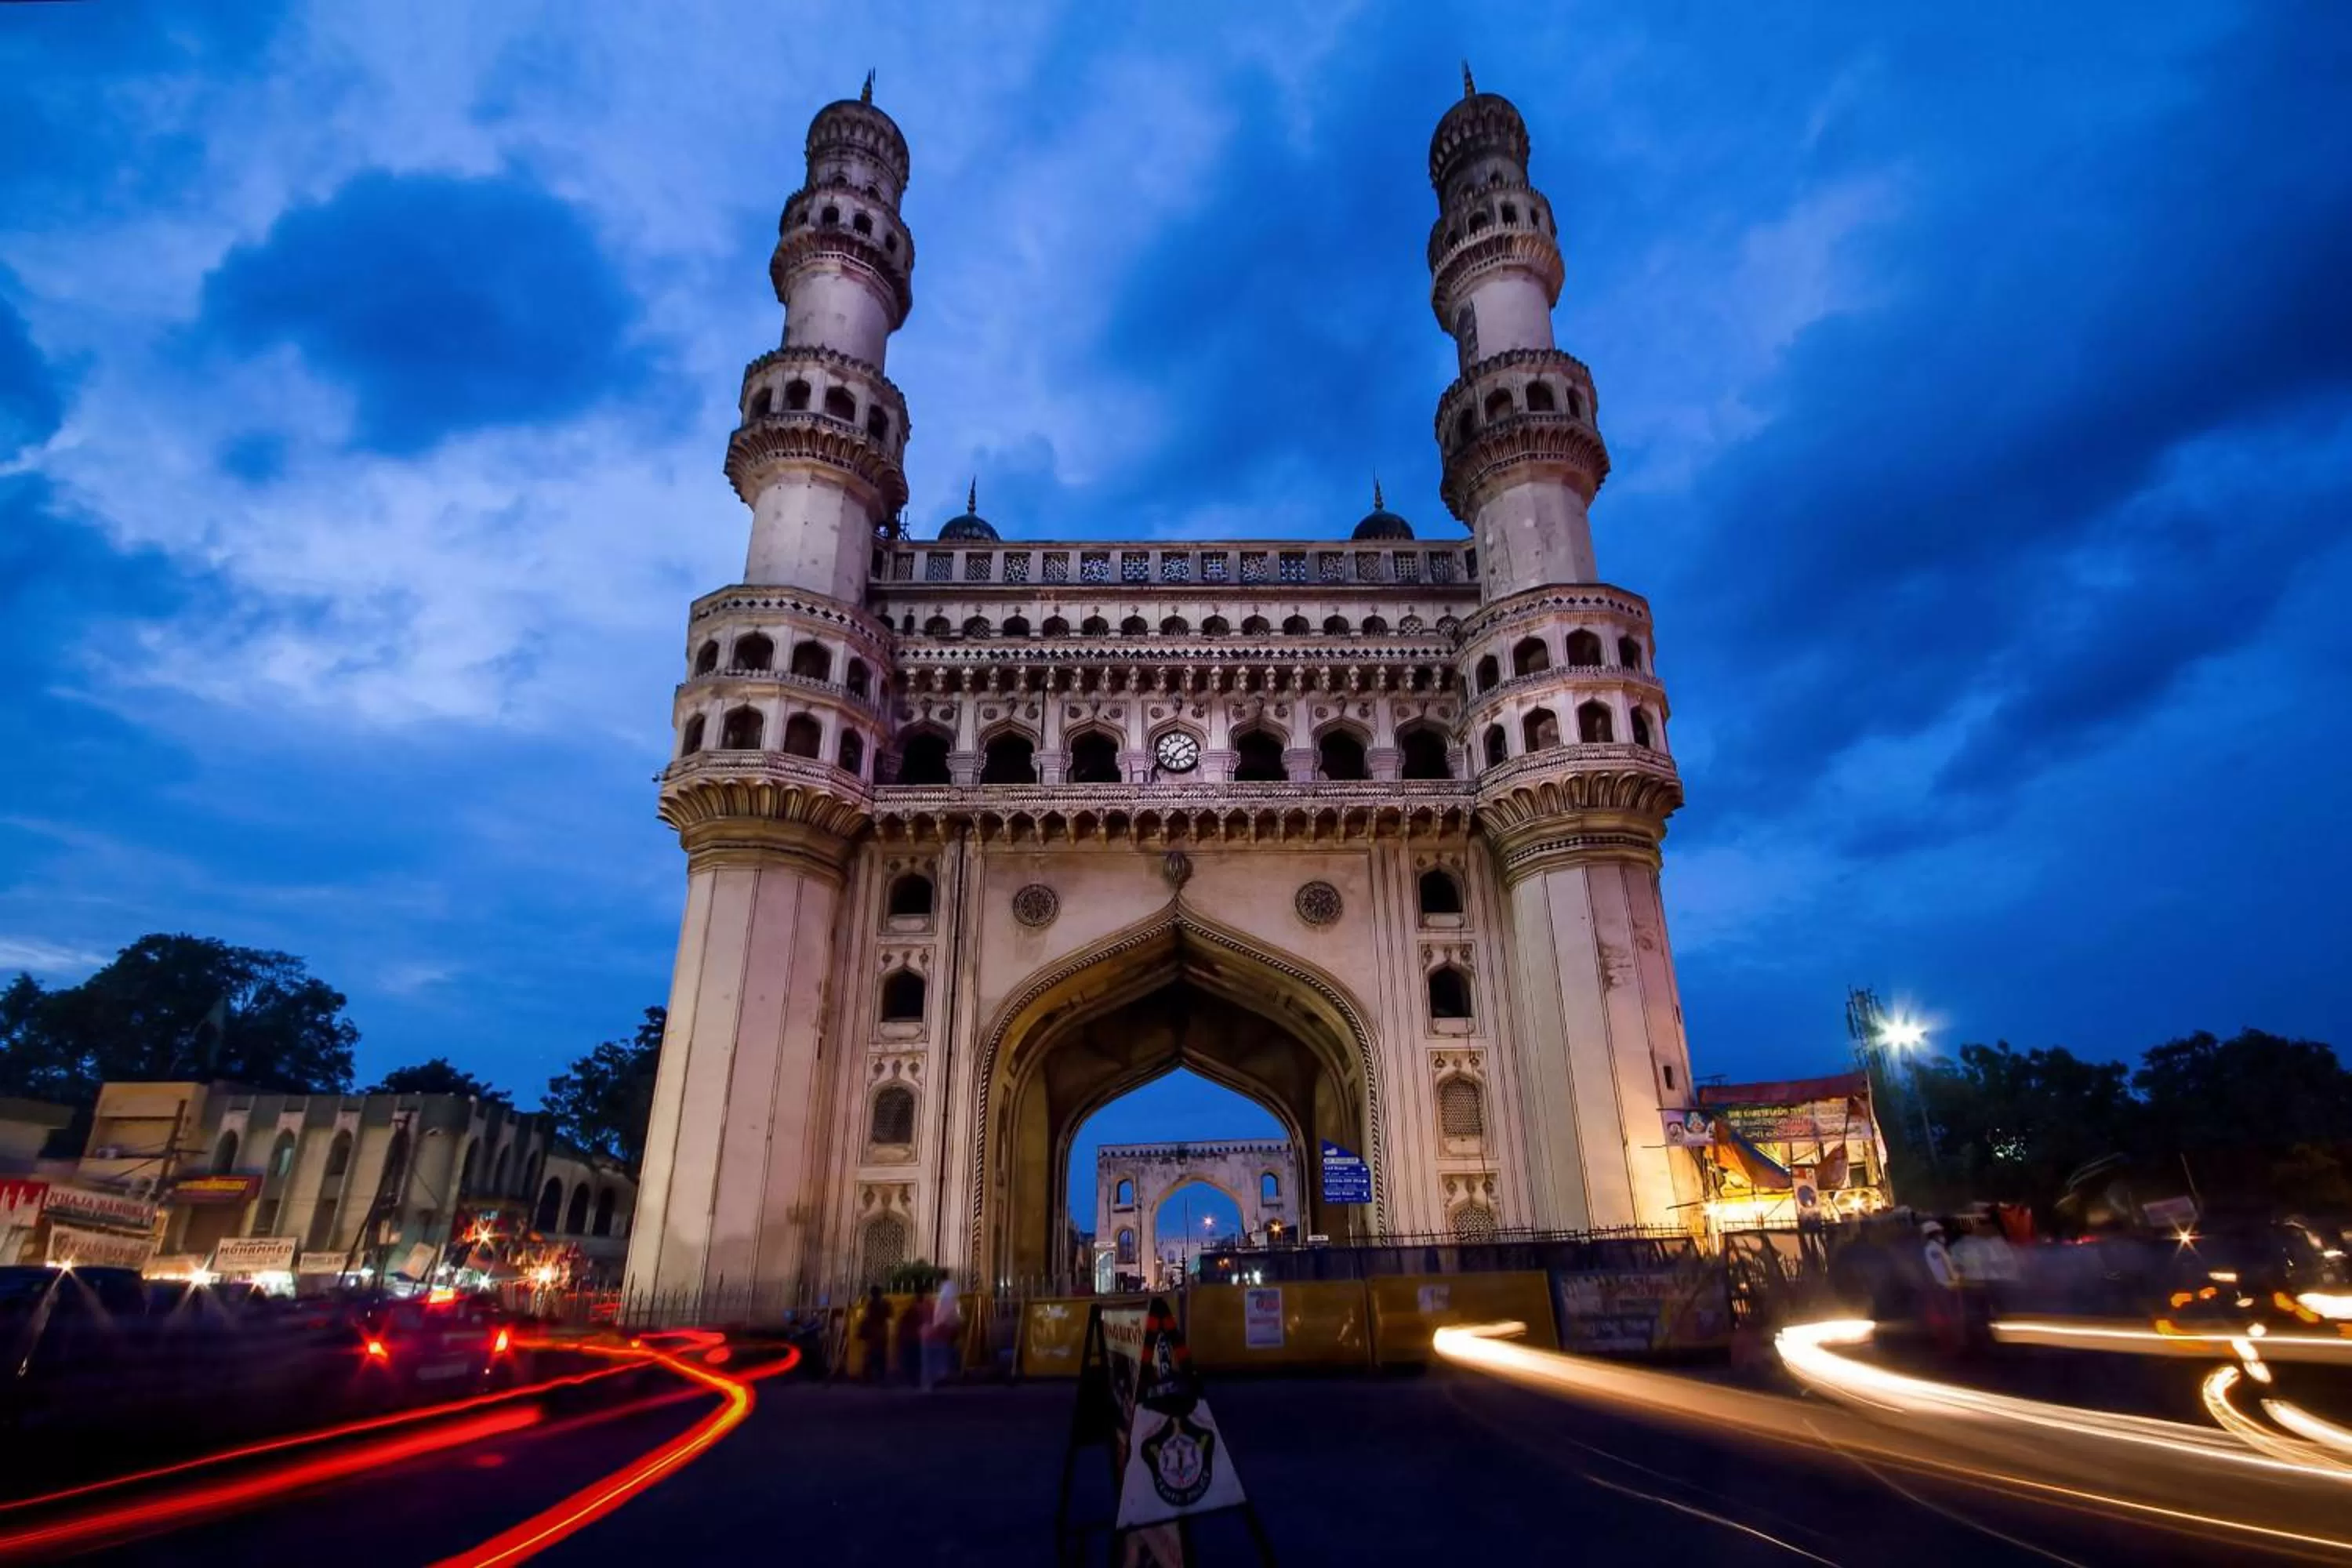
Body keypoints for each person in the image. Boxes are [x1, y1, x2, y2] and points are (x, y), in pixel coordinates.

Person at [921, 1276, 961, 1392]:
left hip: (938, 1335)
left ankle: (934, 1380)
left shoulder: (942, 1301)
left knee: (935, 1359)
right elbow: (948, 1318)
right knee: (940, 1358)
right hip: (940, 1335)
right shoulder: (948, 1302)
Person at [858, 1284, 891, 1385]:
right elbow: (890, 1315)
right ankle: (880, 1377)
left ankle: (867, 1378)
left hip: (873, 1333)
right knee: (881, 1356)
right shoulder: (885, 1303)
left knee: (870, 1356)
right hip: (882, 1333)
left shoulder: (871, 1304)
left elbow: (868, 1317)